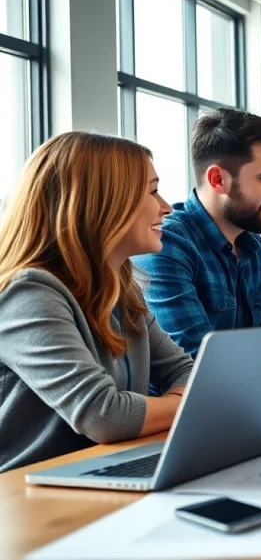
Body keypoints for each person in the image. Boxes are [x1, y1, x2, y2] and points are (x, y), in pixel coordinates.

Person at [0, 132, 193, 472]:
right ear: (101, 203)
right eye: (152, 191)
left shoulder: (122, 290)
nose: (165, 206)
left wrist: (173, 401)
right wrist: (190, 402)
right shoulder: (27, 293)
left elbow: (185, 370)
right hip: (27, 492)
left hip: (99, 469)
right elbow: (105, 415)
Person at [134, 108, 261, 404]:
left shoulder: (252, 243)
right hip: (186, 419)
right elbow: (196, 360)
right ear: (218, 179)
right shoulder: (167, 245)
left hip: (245, 407)